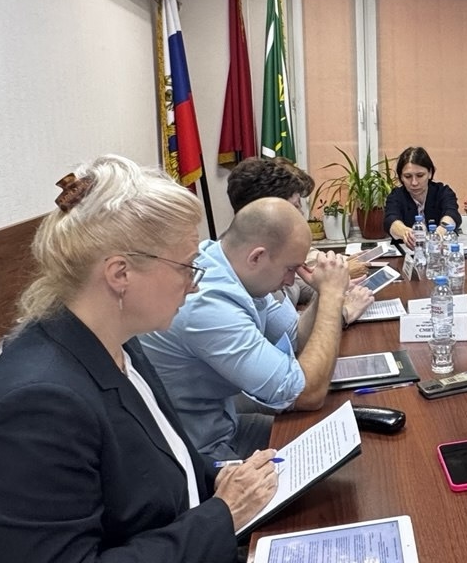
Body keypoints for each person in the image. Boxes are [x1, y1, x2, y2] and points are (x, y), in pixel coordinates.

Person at [0, 156, 279, 563]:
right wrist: (223, 513)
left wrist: (225, 477)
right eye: (187, 267)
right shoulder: (34, 406)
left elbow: (164, 461)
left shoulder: (118, 342)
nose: (193, 285)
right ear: (120, 274)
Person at [140, 197, 351, 459]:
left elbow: (296, 339)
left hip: (227, 426)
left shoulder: (236, 270)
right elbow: (307, 394)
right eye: (290, 268)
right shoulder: (208, 304)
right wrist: (332, 296)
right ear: (257, 257)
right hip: (200, 453)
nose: (291, 280)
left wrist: (322, 290)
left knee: (342, 437)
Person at [225, 156, 372, 316]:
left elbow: (292, 323)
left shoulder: (268, 259)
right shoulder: (257, 273)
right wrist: (342, 311)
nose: (301, 214)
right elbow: (292, 328)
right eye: (295, 206)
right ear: (270, 209)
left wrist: (332, 290)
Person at [384, 146, 461, 248]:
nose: (414, 183)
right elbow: (390, 220)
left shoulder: (443, 192)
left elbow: (452, 213)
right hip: (408, 252)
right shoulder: (396, 196)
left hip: (440, 251)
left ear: (430, 173)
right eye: (408, 176)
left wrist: (441, 231)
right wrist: (404, 232)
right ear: (401, 177)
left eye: (420, 175)